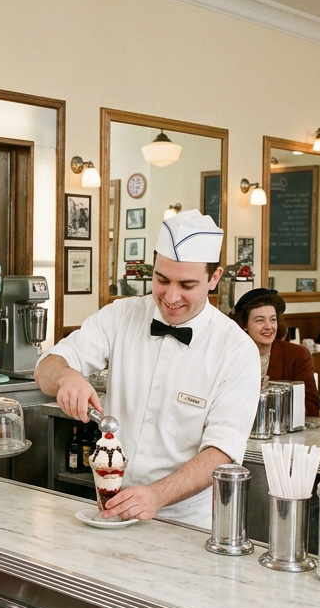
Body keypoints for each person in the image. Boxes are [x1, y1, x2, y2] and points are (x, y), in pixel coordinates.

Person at [34, 209, 259, 527]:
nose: (171, 296)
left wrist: (156, 495)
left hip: (189, 523)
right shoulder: (121, 315)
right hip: (110, 508)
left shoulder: (237, 351)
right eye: (162, 279)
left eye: (187, 284)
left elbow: (221, 452)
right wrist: (67, 376)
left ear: (214, 278)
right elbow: (46, 366)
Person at [233, 289, 320, 416]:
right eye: (260, 320)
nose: (269, 326)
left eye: (273, 319)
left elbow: (311, 407)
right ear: (244, 324)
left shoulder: (297, 355)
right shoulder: (231, 355)